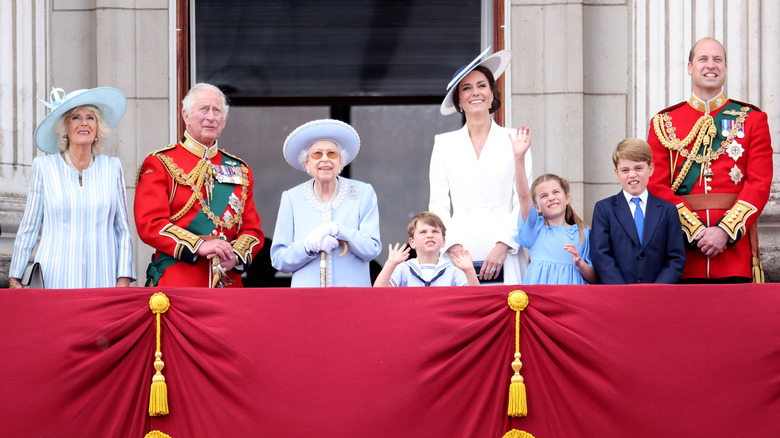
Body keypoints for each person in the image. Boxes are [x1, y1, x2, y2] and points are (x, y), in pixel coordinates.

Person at [646, 37, 773, 283]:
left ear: (725, 68)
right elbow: (655, 185)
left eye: (718, 59)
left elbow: (759, 184)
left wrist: (725, 231)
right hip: (681, 255)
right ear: (690, 68)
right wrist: (694, 231)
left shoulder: (752, 119)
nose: (711, 65)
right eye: (703, 59)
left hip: (733, 255)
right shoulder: (663, 122)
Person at [134, 83, 263, 287]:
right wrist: (198, 246)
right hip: (177, 281)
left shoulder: (240, 170)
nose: (210, 117)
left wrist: (235, 256)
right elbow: (150, 223)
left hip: (227, 283)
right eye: (203, 109)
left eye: (217, 111)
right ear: (186, 116)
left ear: (225, 120)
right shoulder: (161, 162)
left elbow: (252, 230)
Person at [8, 87, 136, 288]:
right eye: (76, 117)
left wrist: (124, 278)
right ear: (65, 128)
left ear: (97, 128)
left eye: (90, 118)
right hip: (56, 278)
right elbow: (29, 226)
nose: (84, 123)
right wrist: (15, 277)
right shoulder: (44, 167)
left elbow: (122, 229)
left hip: (103, 277)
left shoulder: (112, 167)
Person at [429, 47, 532, 285]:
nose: (475, 92)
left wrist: (503, 245)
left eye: (481, 85)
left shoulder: (516, 139)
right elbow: (438, 204)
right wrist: (453, 245)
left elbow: (523, 201)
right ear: (459, 101)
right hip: (459, 250)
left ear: (492, 94)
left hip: (504, 250)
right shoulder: (444, 144)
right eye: (466, 88)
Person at [270, 119, 381, 287]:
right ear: (306, 162)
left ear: (340, 161)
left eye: (332, 154)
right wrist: (307, 246)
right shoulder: (291, 198)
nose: (325, 159)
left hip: (352, 296)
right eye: (317, 154)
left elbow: (371, 249)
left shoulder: (363, 193)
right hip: (306, 298)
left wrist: (340, 231)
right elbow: (279, 260)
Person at [590, 138, 686, 284]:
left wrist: (656, 289)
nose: (632, 174)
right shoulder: (604, 209)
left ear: (651, 169)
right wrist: (622, 291)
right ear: (616, 173)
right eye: (625, 170)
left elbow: (676, 258)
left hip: (657, 294)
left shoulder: (668, 210)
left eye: (638, 168)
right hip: (617, 294)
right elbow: (601, 255)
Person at [511, 127, 596, 285]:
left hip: (571, 300)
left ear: (567, 198)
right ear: (536, 207)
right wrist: (518, 158)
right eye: (544, 196)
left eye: (555, 192)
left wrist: (579, 263)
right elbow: (523, 195)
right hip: (539, 299)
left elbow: (595, 278)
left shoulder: (584, 234)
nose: (551, 198)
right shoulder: (535, 229)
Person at [373, 211, 479, 287]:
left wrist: (469, 271)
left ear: (443, 241)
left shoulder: (453, 271)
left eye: (435, 232)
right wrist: (390, 264)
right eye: (423, 232)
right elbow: (378, 291)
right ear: (412, 242)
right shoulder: (403, 269)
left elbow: (475, 299)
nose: (429, 235)